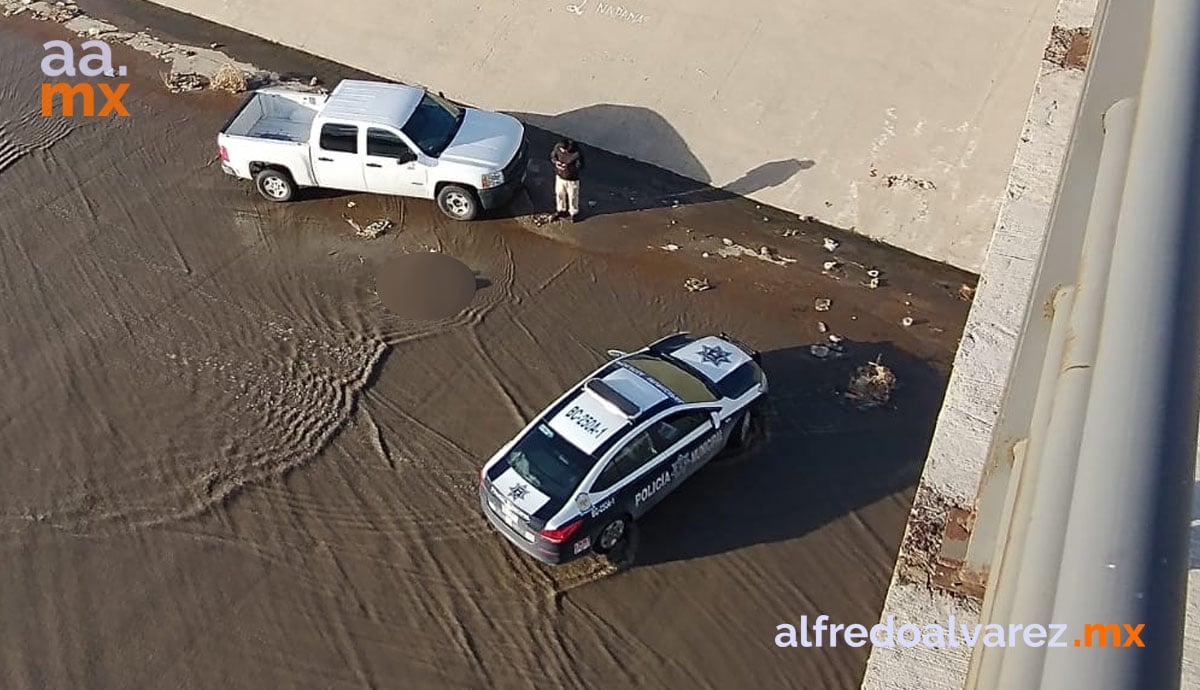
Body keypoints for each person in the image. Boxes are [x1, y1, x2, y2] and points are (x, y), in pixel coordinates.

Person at [550, 138, 585, 222]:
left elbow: (580, 166)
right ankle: (561, 209)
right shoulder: (558, 147)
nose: (562, 152)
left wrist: (568, 167)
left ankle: (574, 213)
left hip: (572, 179)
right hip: (560, 176)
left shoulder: (577, 154)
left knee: (572, 196)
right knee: (559, 193)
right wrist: (556, 162)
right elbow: (553, 156)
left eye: (564, 150)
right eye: (561, 150)